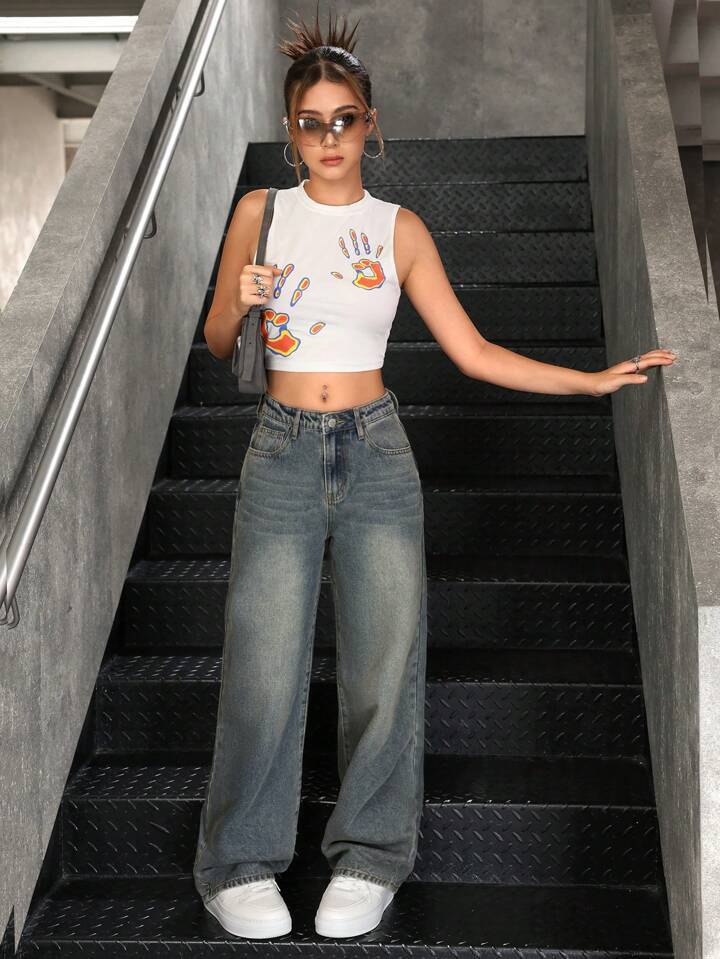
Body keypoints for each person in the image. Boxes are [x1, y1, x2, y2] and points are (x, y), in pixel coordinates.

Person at [192, 3, 678, 943]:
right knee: (263, 662)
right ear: (290, 131)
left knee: (385, 660)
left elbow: (475, 352)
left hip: (375, 450)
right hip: (281, 448)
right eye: (310, 123)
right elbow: (217, 343)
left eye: (345, 119)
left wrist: (589, 380)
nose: (329, 137)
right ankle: (237, 863)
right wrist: (238, 301)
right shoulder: (260, 213)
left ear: (369, 123)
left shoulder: (400, 229)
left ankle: (370, 857)